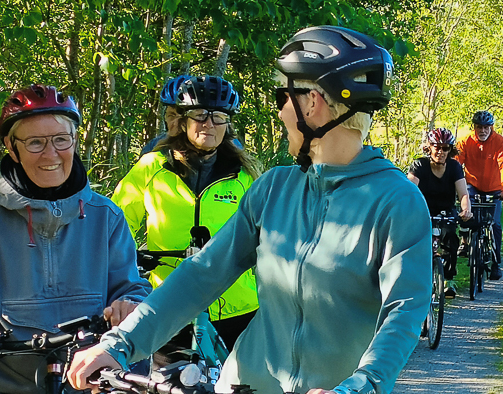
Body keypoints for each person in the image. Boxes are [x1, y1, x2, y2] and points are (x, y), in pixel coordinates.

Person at [68, 25, 432, 394]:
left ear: (312, 102)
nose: (280, 113)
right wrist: (119, 344)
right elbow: (202, 274)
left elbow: (403, 313)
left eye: (283, 97)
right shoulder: (274, 188)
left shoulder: (396, 201)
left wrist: (362, 386)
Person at [0, 84, 152, 394]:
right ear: (11, 147)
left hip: (88, 382)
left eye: (61, 139)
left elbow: (130, 288)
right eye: (35, 142)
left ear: (75, 140)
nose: (51, 154)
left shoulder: (106, 216)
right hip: (2, 385)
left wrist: (128, 304)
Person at [113, 75, 263, 351]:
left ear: (228, 124)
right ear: (182, 121)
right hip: (169, 301)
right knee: (168, 374)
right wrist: (127, 266)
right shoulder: (152, 167)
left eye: (219, 117)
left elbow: (267, 235)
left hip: (237, 307)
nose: (209, 124)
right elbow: (115, 226)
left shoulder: (244, 176)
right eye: (199, 115)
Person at [406, 128, 471, 298]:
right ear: (429, 147)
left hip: (446, 212)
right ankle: (413, 280)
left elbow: (463, 194)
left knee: (451, 239)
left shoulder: (454, 167)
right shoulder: (420, 165)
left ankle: (448, 280)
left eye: (445, 148)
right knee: (415, 242)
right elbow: (409, 190)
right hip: (423, 211)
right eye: (437, 147)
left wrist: (466, 209)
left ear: (450, 150)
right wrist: (406, 209)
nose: (441, 152)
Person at [455, 110, 503, 281]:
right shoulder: (465, 141)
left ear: (491, 127)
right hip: (472, 185)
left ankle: (496, 263)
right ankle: (465, 242)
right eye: (479, 127)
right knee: (465, 212)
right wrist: (452, 184)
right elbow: (456, 164)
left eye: (486, 127)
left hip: (494, 188)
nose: (482, 130)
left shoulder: (499, 141)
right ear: (474, 127)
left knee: (495, 224)